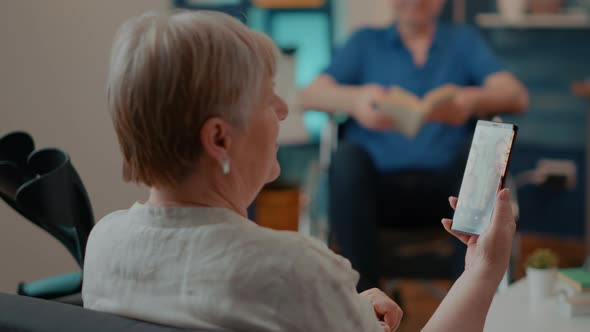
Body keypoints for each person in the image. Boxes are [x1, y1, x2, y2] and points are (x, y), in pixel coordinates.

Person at [82, 10, 517, 332]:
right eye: (268, 98)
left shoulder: (102, 245)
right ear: (218, 139)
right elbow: (281, 289)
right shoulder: (294, 270)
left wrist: (340, 309)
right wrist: (483, 270)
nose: (285, 110)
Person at [298, 0, 528, 291]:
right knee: (346, 158)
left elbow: (516, 95)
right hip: (375, 195)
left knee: (477, 153)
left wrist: (470, 101)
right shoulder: (364, 42)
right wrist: (355, 101)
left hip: (451, 195)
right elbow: (308, 96)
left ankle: (469, 295)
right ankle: (365, 302)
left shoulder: (463, 41)